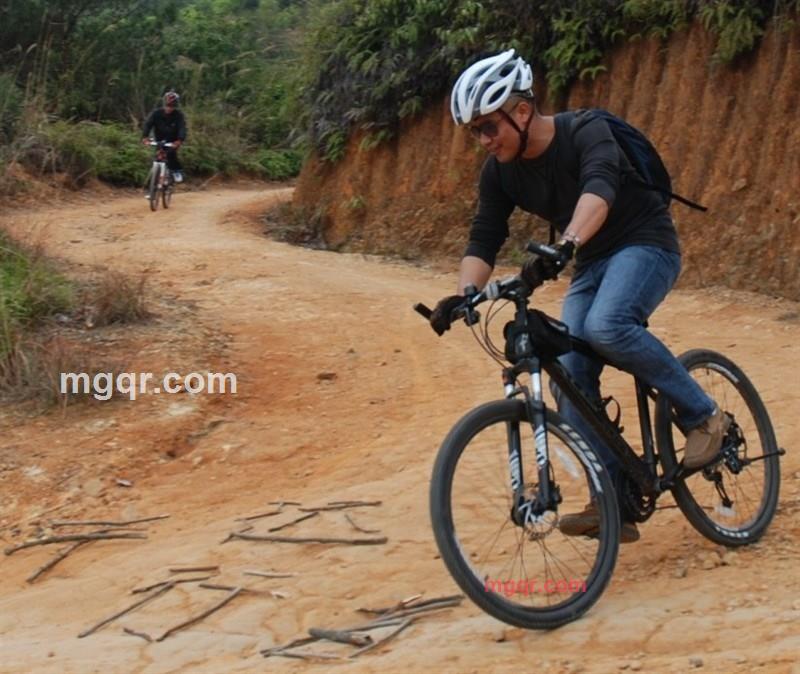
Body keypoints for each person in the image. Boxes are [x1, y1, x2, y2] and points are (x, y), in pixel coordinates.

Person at [429, 49, 730, 543]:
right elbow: (484, 237)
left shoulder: (585, 130)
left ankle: (704, 416)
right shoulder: (500, 173)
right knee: (569, 370)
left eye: (488, 127)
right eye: (474, 132)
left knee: (606, 326)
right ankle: (613, 499)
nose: (482, 140)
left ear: (521, 111)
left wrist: (565, 244)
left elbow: (599, 189)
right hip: (591, 262)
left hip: (645, 243)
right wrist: (464, 294)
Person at [141, 90, 187, 183]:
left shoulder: (179, 115)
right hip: (159, 139)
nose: (169, 108)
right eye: (168, 105)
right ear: (164, 104)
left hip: (172, 140)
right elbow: (148, 124)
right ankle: (153, 182)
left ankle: (176, 171)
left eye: (172, 106)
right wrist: (145, 137)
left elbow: (182, 128)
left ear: (175, 106)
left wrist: (179, 140)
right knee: (158, 155)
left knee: (171, 154)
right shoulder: (156, 113)